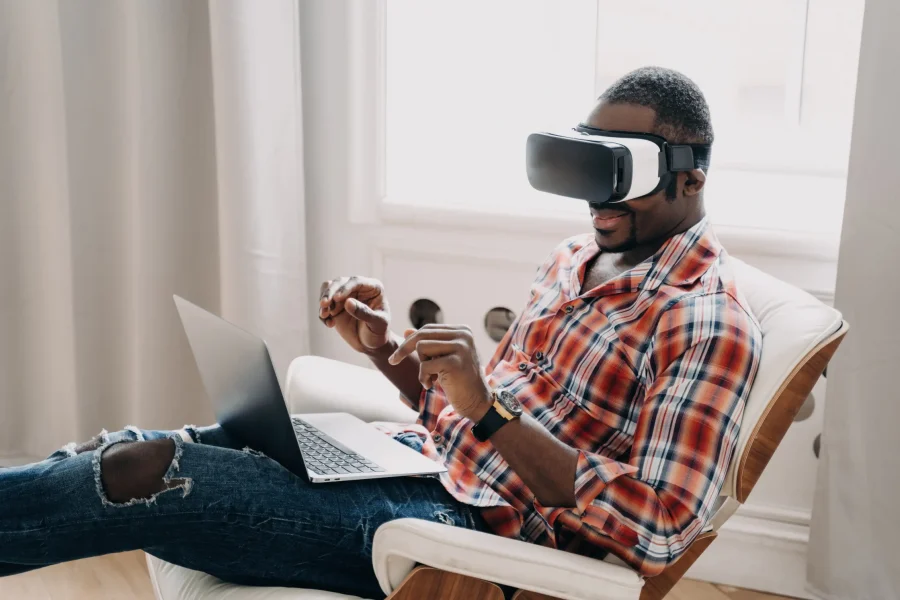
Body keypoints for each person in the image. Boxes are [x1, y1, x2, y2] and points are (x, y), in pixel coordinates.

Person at [0, 67, 760, 598]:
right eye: (587, 166)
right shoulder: (577, 258)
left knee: (149, 472)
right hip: (413, 466)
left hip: (460, 535)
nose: (597, 198)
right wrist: (383, 353)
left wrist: (491, 410)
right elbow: (463, 416)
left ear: (691, 177)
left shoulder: (706, 322)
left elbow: (658, 531)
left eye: (619, 172)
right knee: (117, 451)